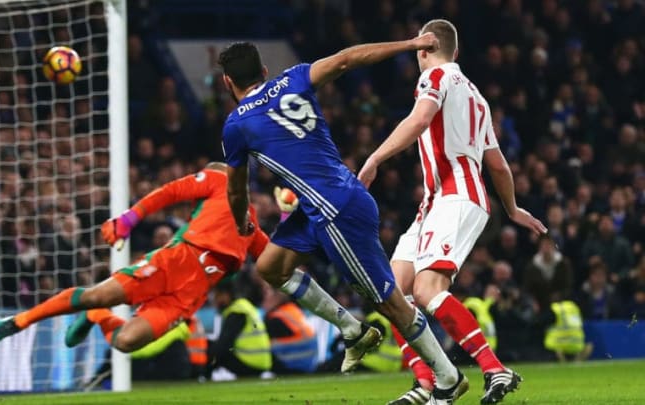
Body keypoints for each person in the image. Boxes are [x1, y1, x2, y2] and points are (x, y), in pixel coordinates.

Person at [219, 34, 470, 403]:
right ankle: (352, 331)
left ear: (228, 83)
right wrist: (409, 43)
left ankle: (448, 378)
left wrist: (241, 220)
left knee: (389, 302)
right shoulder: (294, 77)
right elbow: (348, 57)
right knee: (271, 267)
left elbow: (237, 191)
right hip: (321, 200)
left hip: (335, 210)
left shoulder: (235, 126)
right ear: (264, 71)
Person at [357, 19, 547, 404]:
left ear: (423, 49)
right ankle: (427, 383)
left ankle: (494, 369)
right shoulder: (476, 96)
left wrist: (375, 158)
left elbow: (420, 119)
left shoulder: (436, 77)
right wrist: (511, 208)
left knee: (427, 289)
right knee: (391, 292)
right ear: (456, 51)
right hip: (440, 200)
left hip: (456, 196)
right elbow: (497, 164)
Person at [0, 163, 270, 356]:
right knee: (98, 294)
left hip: (188, 297)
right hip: (172, 263)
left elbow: (277, 263)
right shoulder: (219, 179)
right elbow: (170, 192)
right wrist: (129, 219)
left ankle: (98, 317)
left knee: (126, 342)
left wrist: (289, 217)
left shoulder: (253, 231)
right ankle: (19, 321)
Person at [209, 279, 272, 379]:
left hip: (250, 363)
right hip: (261, 362)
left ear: (226, 294)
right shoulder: (245, 306)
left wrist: (208, 362)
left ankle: (203, 377)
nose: (215, 301)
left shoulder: (236, 312)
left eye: (217, 296)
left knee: (214, 350)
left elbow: (223, 345)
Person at [262, 283, 319, 374]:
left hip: (291, 366)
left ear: (278, 295)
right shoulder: (292, 310)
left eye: (265, 293)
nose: (263, 299)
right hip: (308, 364)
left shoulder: (276, 319)